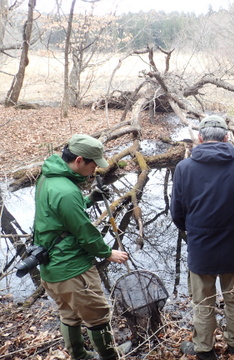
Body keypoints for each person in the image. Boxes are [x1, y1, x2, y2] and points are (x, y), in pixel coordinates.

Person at [170, 115, 234, 360]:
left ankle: (205, 350)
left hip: (201, 247)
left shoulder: (184, 168)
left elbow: (177, 213)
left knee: (203, 301)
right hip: (233, 245)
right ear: (227, 138)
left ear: (200, 138)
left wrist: (191, 230)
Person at [33, 134, 130, 360]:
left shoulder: (49, 178)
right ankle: (110, 356)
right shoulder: (66, 191)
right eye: (93, 164)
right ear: (78, 160)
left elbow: (59, 216)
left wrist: (89, 199)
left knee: (68, 313)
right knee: (97, 315)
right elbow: (84, 232)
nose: (95, 169)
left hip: (51, 268)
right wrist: (107, 253)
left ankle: (79, 355)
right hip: (72, 269)